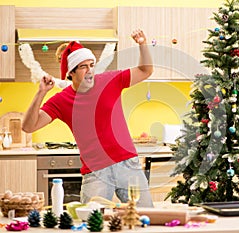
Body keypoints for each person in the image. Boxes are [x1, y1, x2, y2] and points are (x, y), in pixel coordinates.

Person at [22, 29, 154, 207]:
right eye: (84, 66)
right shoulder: (61, 100)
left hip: (128, 164)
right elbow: (28, 126)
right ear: (71, 73)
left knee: (145, 217)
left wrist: (142, 44)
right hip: (96, 171)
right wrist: (41, 93)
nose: (90, 70)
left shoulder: (110, 80)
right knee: (90, 222)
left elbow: (145, 71)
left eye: (92, 64)